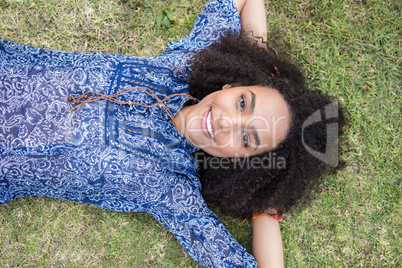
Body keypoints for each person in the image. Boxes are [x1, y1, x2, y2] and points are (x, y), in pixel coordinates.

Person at [0, 0, 342, 267]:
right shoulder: (183, 65)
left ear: (243, 161)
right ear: (232, 83)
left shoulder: (172, 189)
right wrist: (263, 69)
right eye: (242, 102)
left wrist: (265, 206)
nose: (225, 123)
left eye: (247, 139)